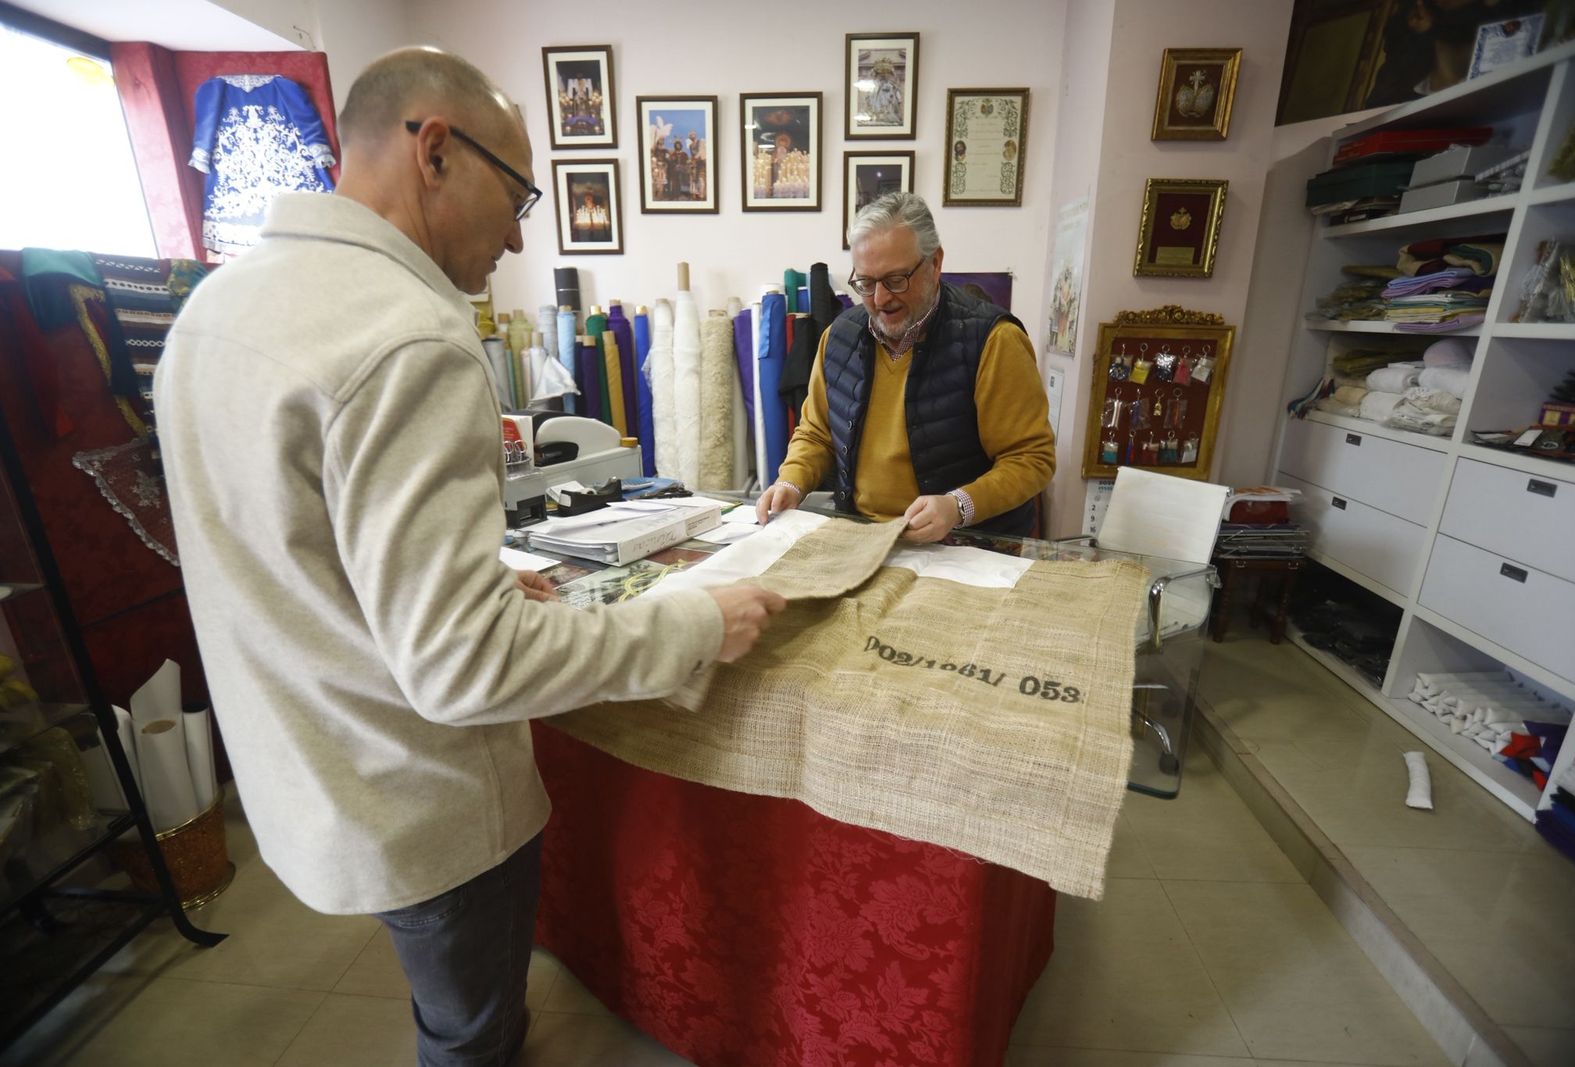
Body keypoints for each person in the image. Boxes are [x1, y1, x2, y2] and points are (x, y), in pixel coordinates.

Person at [154, 47, 784, 1067]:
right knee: (472, 1035)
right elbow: (463, 665)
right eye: (519, 189)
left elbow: (296, 547)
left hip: (307, 777)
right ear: (436, 150)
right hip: (421, 800)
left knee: (453, 1013)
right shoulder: (406, 337)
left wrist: (466, 584)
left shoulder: (214, 312)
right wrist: (694, 626)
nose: (522, 228)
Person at [756, 191, 1055, 542]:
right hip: (865, 537)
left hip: (966, 545)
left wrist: (959, 506)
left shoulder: (993, 341)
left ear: (935, 262)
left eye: (896, 280)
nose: (880, 299)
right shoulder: (838, 337)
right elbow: (817, 434)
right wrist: (791, 481)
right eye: (866, 283)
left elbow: (1031, 458)